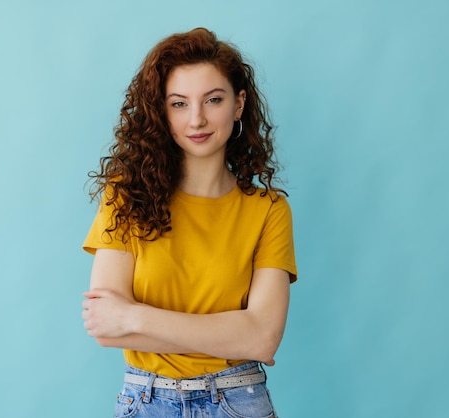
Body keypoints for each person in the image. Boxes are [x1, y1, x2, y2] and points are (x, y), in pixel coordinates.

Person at [81, 27, 297, 418]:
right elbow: (103, 327)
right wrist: (233, 332)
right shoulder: (126, 196)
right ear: (161, 111)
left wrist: (134, 316)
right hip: (146, 402)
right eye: (179, 104)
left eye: (213, 100)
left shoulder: (268, 210)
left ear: (238, 103)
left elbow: (263, 339)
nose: (196, 119)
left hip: (237, 401)